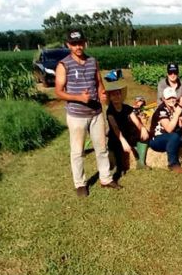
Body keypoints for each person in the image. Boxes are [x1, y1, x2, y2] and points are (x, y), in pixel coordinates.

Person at [54, 29, 121, 197]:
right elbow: (58, 92)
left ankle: (105, 178)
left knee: (101, 147)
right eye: (74, 44)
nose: (78, 46)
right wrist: (78, 97)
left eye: (80, 43)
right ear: (69, 45)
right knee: (77, 151)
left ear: (84, 43)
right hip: (76, 115)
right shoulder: (64, 65)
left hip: (96, 113)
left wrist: (103, 95)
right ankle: (80, 184)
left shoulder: (92, 61)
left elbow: (98, 83)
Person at [106, 85, 149, 175]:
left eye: (118, 94)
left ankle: (140, 162)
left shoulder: (127, 108)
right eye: (113, 95)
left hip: (128, 133)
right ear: (110, 97)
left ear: (121, 95)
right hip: (116, 136)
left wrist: (143, 128)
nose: (116, 96)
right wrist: (123, 141)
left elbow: (136, 121)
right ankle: (119, 167)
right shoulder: (110, 111)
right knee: (117, 145)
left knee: (145, 135)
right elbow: (115, 128)